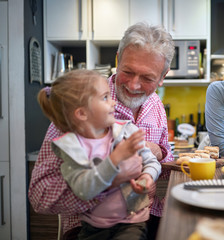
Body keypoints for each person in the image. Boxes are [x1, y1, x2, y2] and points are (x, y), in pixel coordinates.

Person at [28, 22, 175, 240]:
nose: (134, 85)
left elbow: (161, 164)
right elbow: (40, 196)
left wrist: (160, 152)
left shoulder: (156, 105)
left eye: (147, 78)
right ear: (118, 60)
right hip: (89, 226)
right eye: (128, 71)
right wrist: (110, 180)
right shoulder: (80, 106)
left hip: (146, 217)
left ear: (162, 77)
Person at [37, 69, 161, 239]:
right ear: (81, 113)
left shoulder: (126, 131)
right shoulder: (71, 148)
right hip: (92, 227)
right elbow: (84, 190)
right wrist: (116, 159)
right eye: (105, 98)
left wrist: (147, 176)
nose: (114, 103)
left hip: (133, 221)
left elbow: (152, 162)